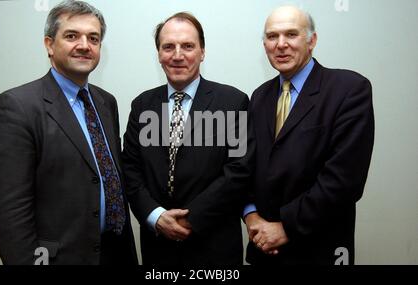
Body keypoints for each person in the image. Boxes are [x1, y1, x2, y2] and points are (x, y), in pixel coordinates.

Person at [0, 0, 137, 265]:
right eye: (71, 36)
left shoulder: (105, 102)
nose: (84, 45)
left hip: (115, 253)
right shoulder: (18, 106)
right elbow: (10, 213)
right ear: (49, 44)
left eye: (93, 38)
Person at [244, 5, 374, 265]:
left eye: (291, 34)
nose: (281, 44)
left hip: (319, 250)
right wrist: (251, 215)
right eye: (272, 36)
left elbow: (344, 180)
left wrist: (286, 226)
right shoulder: (259, 97)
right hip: (264, 253)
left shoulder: (349, 89)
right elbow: (246, 165)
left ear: (311, 40)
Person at [121, 12, 253, 266]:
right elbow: (130, 169)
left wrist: (190, 219)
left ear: (202, 52)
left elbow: (239, 170)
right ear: (159, 54)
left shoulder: (233, 102)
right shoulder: (142, 105)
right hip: (158, 249)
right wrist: (156, 216)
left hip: (214, 248)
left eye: (188, 46)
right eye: (168, 46)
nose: (178, 55)